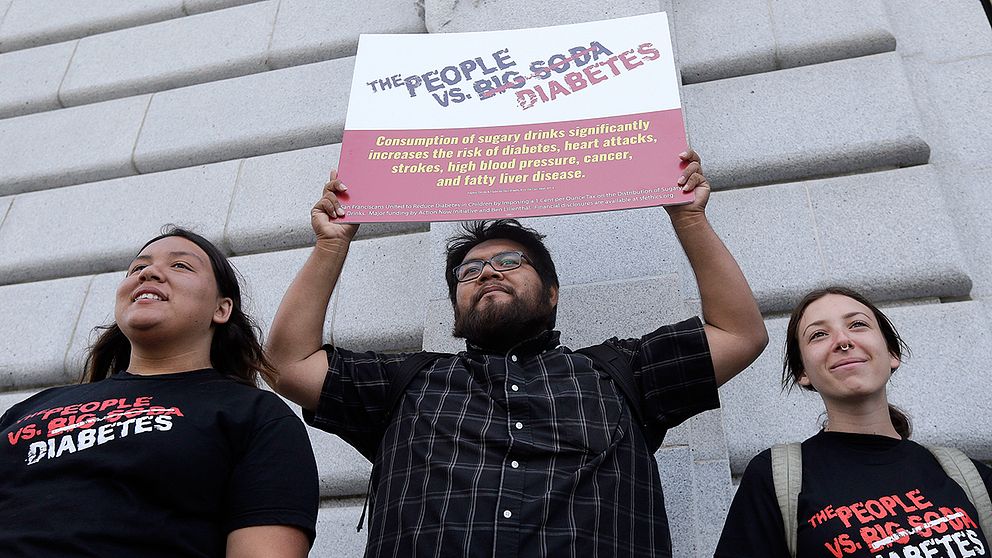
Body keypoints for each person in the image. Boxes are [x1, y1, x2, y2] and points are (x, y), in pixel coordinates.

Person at [266, 150, 768, 557]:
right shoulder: (405, 384)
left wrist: (689, 218)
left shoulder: (621, 373)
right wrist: (330, 246)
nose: (486, 272)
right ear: (456, 311)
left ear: (552, 292)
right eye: (469, 271)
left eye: (509, 261)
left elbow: (738, 333)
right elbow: (288, 364)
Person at [0, 227, 319, 558]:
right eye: (138, 268)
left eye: (180, 265)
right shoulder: (28, 409)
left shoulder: (255, 415)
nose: (149, 273)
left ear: (221, 309)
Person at [715, 286, 992, 558]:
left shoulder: (968, 476)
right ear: (802, 372)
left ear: (892, 354)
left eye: (858, 324)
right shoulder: (775, 479)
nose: (843, 340)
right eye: (819, 334)